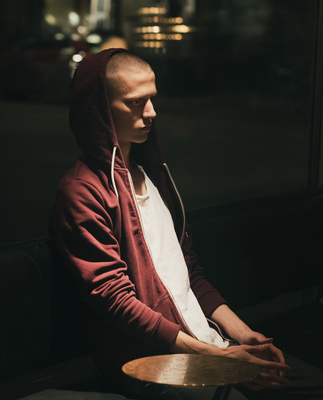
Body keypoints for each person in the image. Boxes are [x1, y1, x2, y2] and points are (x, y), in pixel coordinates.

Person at [49, 48, 290, 398]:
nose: (151, 113)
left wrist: (242, 334)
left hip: (204, 344)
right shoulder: (82, 190)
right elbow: (114, 300)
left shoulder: (152, 177)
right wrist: (219, 360)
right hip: (150, 366)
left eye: (152, 99)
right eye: (135, 102)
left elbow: (186, 273)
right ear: (100, 109)